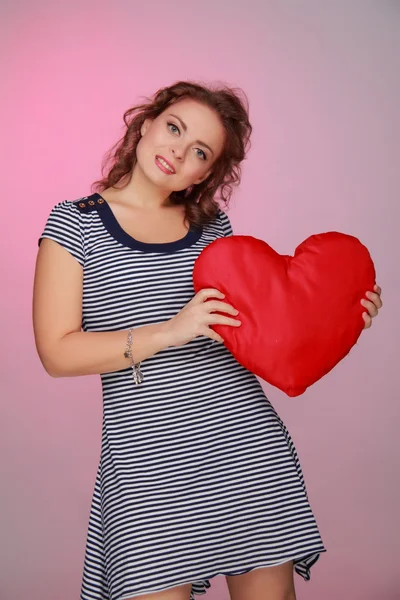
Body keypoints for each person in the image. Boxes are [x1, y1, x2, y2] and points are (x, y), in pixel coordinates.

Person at [33, 80, 382, 600]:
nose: (178, 151)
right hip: (145, 461)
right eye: (174, 129)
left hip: (244, 447)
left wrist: (337, 314)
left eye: (200, 151)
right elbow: (57, 353)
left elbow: (260, 330)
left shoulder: (214, 229)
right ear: (145, 123)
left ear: (207, 172)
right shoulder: (76, 224)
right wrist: (171, 331)